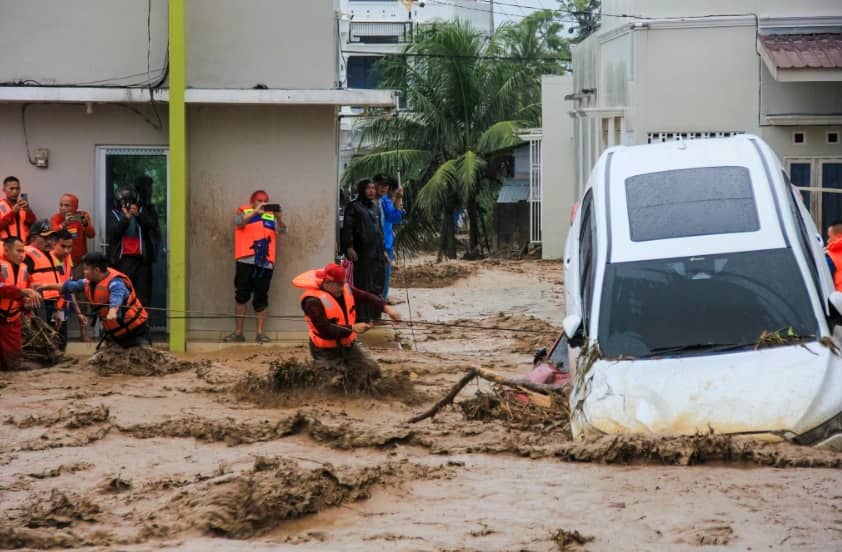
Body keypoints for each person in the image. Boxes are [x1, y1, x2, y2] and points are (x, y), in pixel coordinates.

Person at [291, 262, 400, 377]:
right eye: (339, 284)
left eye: (343, 283)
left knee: (373, 372)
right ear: (327, 282)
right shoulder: (312, 302)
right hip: (325, 350)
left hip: (348, 345)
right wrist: (353, 328)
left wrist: (386, 308)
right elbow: (325, 330)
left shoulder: (343, 289)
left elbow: (366, 297)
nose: (343, 287)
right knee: (336, 382)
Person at [42, 252, 150, 349]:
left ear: (97, 270)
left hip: (136, 332)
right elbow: (69, 286)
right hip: (115, 335)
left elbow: (117, 296)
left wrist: (113, 310)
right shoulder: (88, 282)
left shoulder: (116, 282)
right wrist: (44, 287)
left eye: (86, 269)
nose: (84, 272)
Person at [224, 190, 287, 343]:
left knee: (261, 298)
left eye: (265, 200)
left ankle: (260, 333)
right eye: (259, 200)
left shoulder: (271, 215)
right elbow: (238, 222)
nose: (263, 203)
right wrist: (255, 212)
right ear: (252, 201)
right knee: (241, 296)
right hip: (245, 261)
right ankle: (238, 333)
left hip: (265, 263)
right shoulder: (244, 211)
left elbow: (283, 231)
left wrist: (279, 218)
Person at [106, 185, 159, 307]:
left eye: (130, 201)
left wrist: (139, 216)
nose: (127, 205)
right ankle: (124, 322)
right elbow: (113, 234)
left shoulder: (142, 212)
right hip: (122, 261)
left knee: (143, 295)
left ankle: (143, 322)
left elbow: (152, 227)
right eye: (124, 202)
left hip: (142, 260)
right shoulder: (113, 215)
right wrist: (126, 218)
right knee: (123, 292)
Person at [341, 178, 386, 322]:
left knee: (377, 283)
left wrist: (383, 250)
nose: (372, 191)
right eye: (368, 188)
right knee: (362, 284)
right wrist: (349, 246)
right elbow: (347, 228)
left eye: (373, 188)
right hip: (361, 251)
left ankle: (375, 314)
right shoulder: (354, 207)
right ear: (362, 190)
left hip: (376, 252)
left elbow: (379, 230)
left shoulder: (375, 206)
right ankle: (362, 316)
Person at [0, 237, 42, 370]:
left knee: (12, 363)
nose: (22, 254)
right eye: (18, 251)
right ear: (6, 250)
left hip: (12, 320)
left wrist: (27, 304)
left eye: (23, 251)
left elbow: (25, 295)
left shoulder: (24, 270)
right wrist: (23, 292)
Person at [24, 220, 67, 348]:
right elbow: (22, 282)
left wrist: (60, 305)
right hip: (40, 305)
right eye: (45, 238)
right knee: (43, 338)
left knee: (60, 336)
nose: (49, 242)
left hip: (57, 303)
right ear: (33, 238)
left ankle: (59, 364)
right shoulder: (26, 255)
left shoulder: (54, 256)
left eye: (51, 238)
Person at [374, 175, 405, 300]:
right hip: (384, 245)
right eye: (381, 185)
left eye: (385, 186)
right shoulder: (385, 201)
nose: (384, 189)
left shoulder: (382, 201)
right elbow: (394, 217)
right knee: (383, 277)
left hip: (385, 243)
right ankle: (380, 301)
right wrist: (397, 200)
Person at [50, 193, 95, 269]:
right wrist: (64, 224)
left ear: (75, 207)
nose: (62, 208)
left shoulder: (82, 215)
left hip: (79, 263)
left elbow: (91, 235)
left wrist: (85, 224)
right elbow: (53, 234)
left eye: (66, 205)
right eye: (61, 205)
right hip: (61, 261)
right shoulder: (56, 218)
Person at [0, 176, 37, 243]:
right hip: (6, 246)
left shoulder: (22, 204)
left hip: (24, 244)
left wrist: (29, 211)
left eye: (17, 188)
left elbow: (33, 224)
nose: (15, 191)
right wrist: (13, 213)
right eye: (11, 188)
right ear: (4, 190)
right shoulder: (0, 205)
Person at [826, 221, 842, 291]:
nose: (828, 241)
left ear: (838, 236)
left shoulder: (831, 257)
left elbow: (824, 280)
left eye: (829, 237)